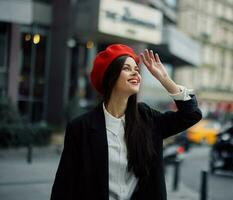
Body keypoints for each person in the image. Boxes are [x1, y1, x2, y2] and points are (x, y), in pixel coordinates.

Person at [50, 44, 202, 200]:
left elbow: (191, 115)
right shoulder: (81, 128)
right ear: (110, 76)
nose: (135, 72)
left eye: (136, 69)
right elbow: (64, 186)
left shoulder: (147, 118)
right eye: (127, 68)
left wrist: (165, 79)